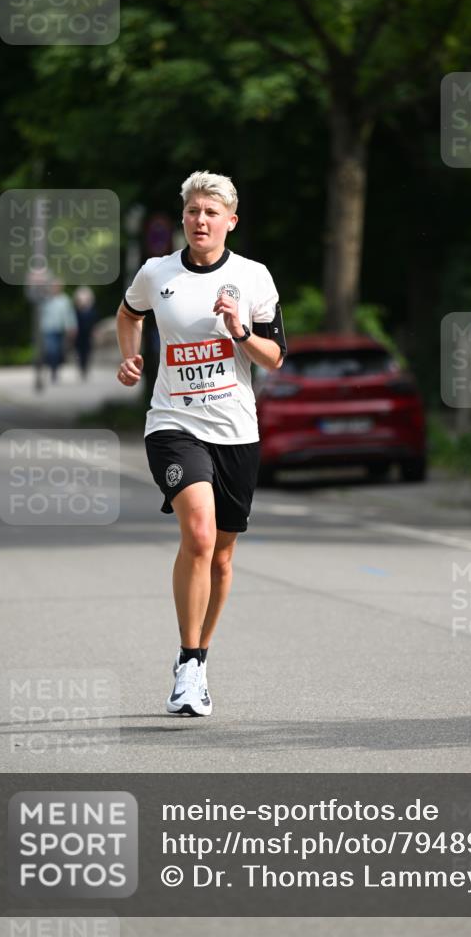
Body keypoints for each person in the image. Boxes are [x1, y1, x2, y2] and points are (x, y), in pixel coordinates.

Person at [115, 171, 286, 717]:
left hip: (236, 430)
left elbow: (274, 357)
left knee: (223, 555)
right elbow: (128, 313)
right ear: (183, 218)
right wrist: (129, 354)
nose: (201, 221)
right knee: (199, 533)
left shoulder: (254, 278)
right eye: (193, 211)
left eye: (211, 212)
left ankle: (201, 659)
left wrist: (239, 330)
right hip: (173, 424)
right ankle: (188, 665)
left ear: (230, 221)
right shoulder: (156, 273)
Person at [40, 279, 77, 382]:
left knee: (58, 352)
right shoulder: (46, 299)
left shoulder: (65, 299)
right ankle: (51, 369)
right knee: (51, 350)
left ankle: (55, 371)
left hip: (60, 329)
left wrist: (72, 326)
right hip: (48, 329)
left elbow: (69, 314)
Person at [73, 286, 98, 378]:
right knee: (79, 352)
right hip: (79, 335)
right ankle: (81, 367)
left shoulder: (92, 311)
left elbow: (94, 323)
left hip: (88, 335)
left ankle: (85, 368)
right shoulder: (76, 311)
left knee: (87, 351)